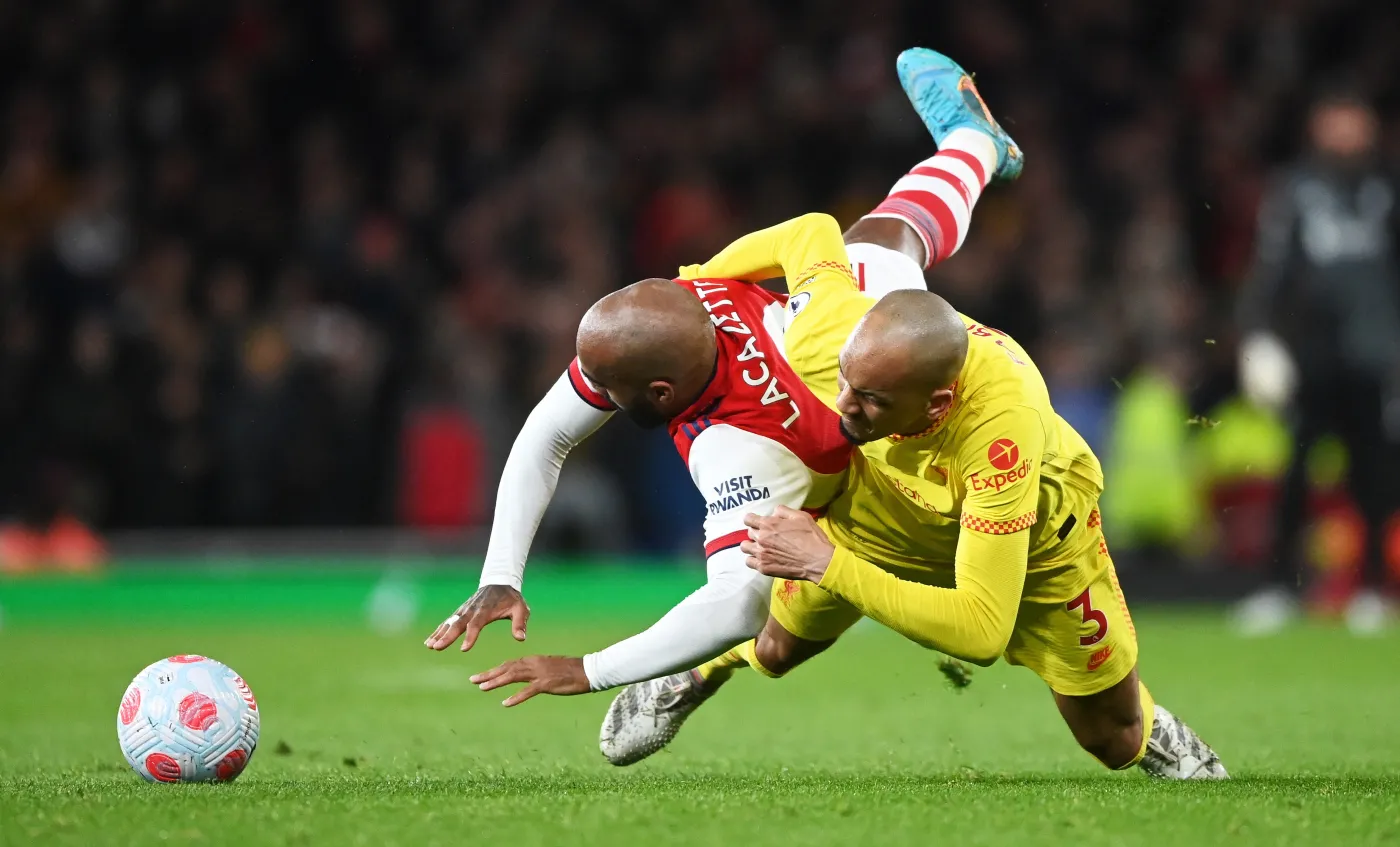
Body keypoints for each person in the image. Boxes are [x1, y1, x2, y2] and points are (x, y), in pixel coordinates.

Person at [468, 50, 1228, 780]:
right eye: (847, 387)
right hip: (861, 498)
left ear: (930, 402)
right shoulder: (825, 332)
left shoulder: (987, 433)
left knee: (1111, 734)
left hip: (1018, 528)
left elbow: (980, 629)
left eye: (865, 400)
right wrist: (708, 277)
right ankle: (972, 142)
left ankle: (1143, 725)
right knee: (774, 641)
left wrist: (821, 564)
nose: (842, 409)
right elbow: (815, 235)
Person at [424, 47, 1004, 699]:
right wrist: (501, 572)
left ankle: (688, 686)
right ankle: (974, 143)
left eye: (605, 385)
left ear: (662, 394)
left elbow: (733, 605)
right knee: (885, 235)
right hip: (849, 323)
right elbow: (546, 433)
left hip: (902, 464)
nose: (587, 388)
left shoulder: (740, 453)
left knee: (777, 637)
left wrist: (589, 669)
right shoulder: (697, 299)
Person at [1234, 92, 1400, 636]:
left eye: (1354, 121)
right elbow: (1271, 264)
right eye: (1336, 121)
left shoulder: (1387, 187)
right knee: (1297, 473)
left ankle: (1374, 589)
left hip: (1377, 354)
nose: (1345, 133)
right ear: (1317, 125)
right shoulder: (1297, 189)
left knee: (1376, 475)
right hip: (1315, 353)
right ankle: (1280, 587)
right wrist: (1258, 335)